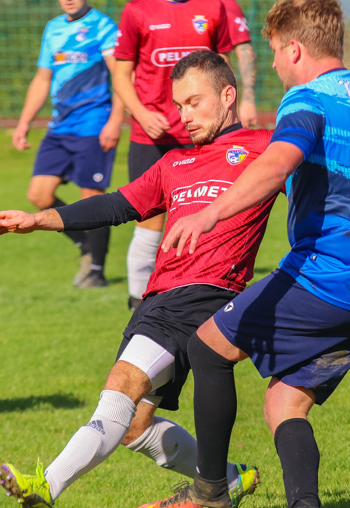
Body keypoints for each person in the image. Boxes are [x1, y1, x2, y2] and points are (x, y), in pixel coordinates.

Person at [136, 0, 350, 508]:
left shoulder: (306, 98)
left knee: (208, 346)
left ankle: (209, 492)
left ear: (294, 48)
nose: (271, 66)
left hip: (331, 273)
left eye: (273, 52)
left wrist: (209, 211)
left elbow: (276, 163)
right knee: (284, 401)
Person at [0, 51, 279, 508]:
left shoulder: (264, 148)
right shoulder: (175, 163)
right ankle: (226, 478)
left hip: (205, 296)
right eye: (178, 105)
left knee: (121, 386)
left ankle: (47, 486)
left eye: (193, 102)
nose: (183, 117)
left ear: (229, 96)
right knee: (136, 426)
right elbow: (118, 205)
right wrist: (39, 219)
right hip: (158, 300)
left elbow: (316, 185)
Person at [112, 0, 234, 310]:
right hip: (152, 136)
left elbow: (223, 68)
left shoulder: (212, 7)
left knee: (208, 217)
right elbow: (121, 74)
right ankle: (138, 302)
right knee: (149, 221)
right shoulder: (137, 10)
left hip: (202, 136)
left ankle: (200, 296)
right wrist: (141, 113)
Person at [12, 0, 124, 288]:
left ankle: (95, 270)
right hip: (59, 127)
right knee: (39, 194)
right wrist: (24, 122)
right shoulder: (54, 28)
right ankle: (88, 245)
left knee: (92, 199)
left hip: (94, 124)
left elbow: (121, 76)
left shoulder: (104, 26)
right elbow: (42, 78)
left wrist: (115, 120)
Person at [222, 0, 259, 129]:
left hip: (215, 104)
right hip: (164, 110)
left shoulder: (224, 4)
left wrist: (248, 100)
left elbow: (245, 51)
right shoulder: (156, 6)